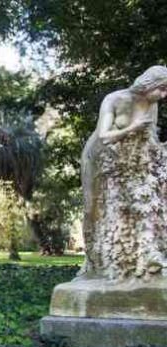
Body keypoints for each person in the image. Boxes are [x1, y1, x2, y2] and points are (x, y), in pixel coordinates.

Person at [79, 65, 167, 280]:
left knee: (136, 205)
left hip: (129, 160)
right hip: (99, 157)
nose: (164, 95)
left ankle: (137, 261)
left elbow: (150, 141)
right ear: (149, 84)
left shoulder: (151, 104)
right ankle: (93, 265)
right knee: (93, 209)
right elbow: (104, 135)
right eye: (162, 89)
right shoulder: (115, 99)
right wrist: (132, 127)